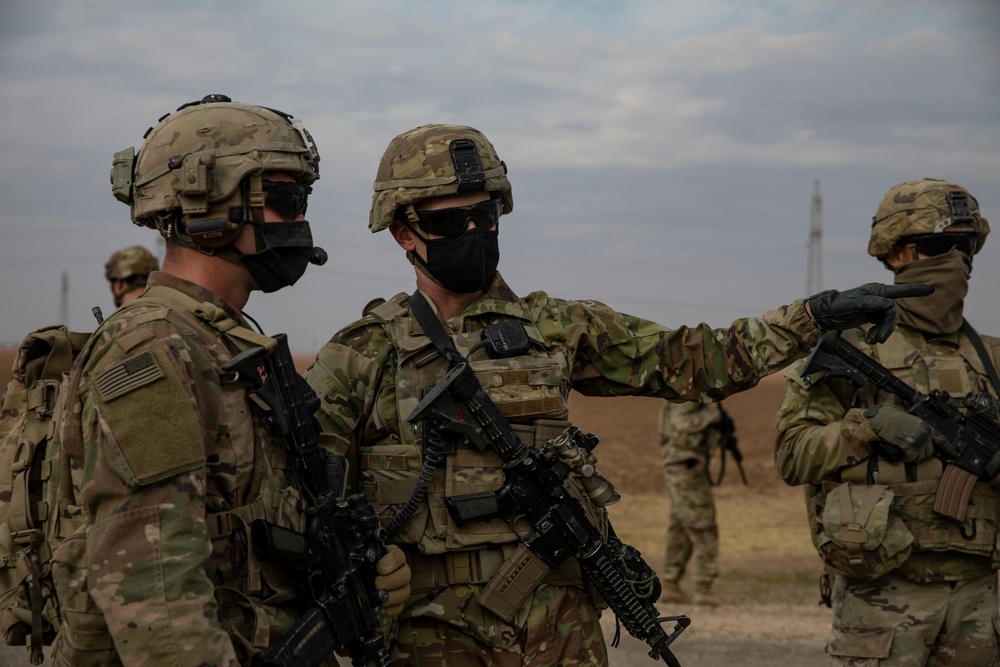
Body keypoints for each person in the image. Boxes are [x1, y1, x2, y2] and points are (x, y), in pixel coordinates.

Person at [303, 123, 929, 666]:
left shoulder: (558, 327)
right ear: (403, 234)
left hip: (559, 638)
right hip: (427, 644)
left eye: (484, 214)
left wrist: (815, 315)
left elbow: (699, 358)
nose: (471, 229)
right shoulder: (360, 355)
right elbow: (304, 505)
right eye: (447, 220)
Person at [49, 95, 410, 667]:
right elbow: (155, 593)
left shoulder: (224, 340)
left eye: (303, 200)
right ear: (204, 202)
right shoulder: (156, 348)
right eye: (286, 199)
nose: (300, 221)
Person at [774, 178, 999, 666]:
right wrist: (867, 428)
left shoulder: (993, 359)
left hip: (982, 595)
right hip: (883, 594)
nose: (957, 260)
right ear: (895, 254)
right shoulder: (853, 347)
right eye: (939, 246)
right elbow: (792, 455)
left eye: (966, 247)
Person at [657, 400, 726, 606]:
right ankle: (703, 587)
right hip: (686, 464)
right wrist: (713, 417)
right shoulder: (687, 392)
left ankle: (670, 584)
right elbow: (682, 424)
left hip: (683, 463)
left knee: (680, 524)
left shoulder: (681, 388)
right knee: (703, 523)